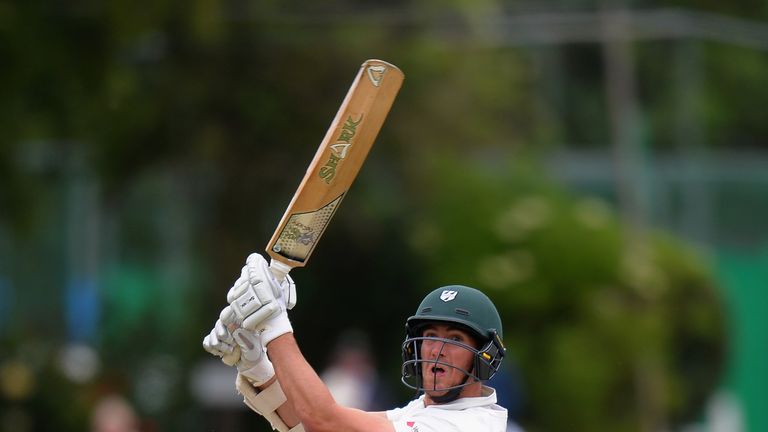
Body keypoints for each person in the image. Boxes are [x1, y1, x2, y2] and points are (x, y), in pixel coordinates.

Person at [203, 253, 509, 432]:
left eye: (455, 339)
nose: (437, 350)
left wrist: (272, 323)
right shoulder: (422, 413)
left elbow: (324, 420)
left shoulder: (469, 426)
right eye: (430, 336)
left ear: (485, 355)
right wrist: (258, 367)